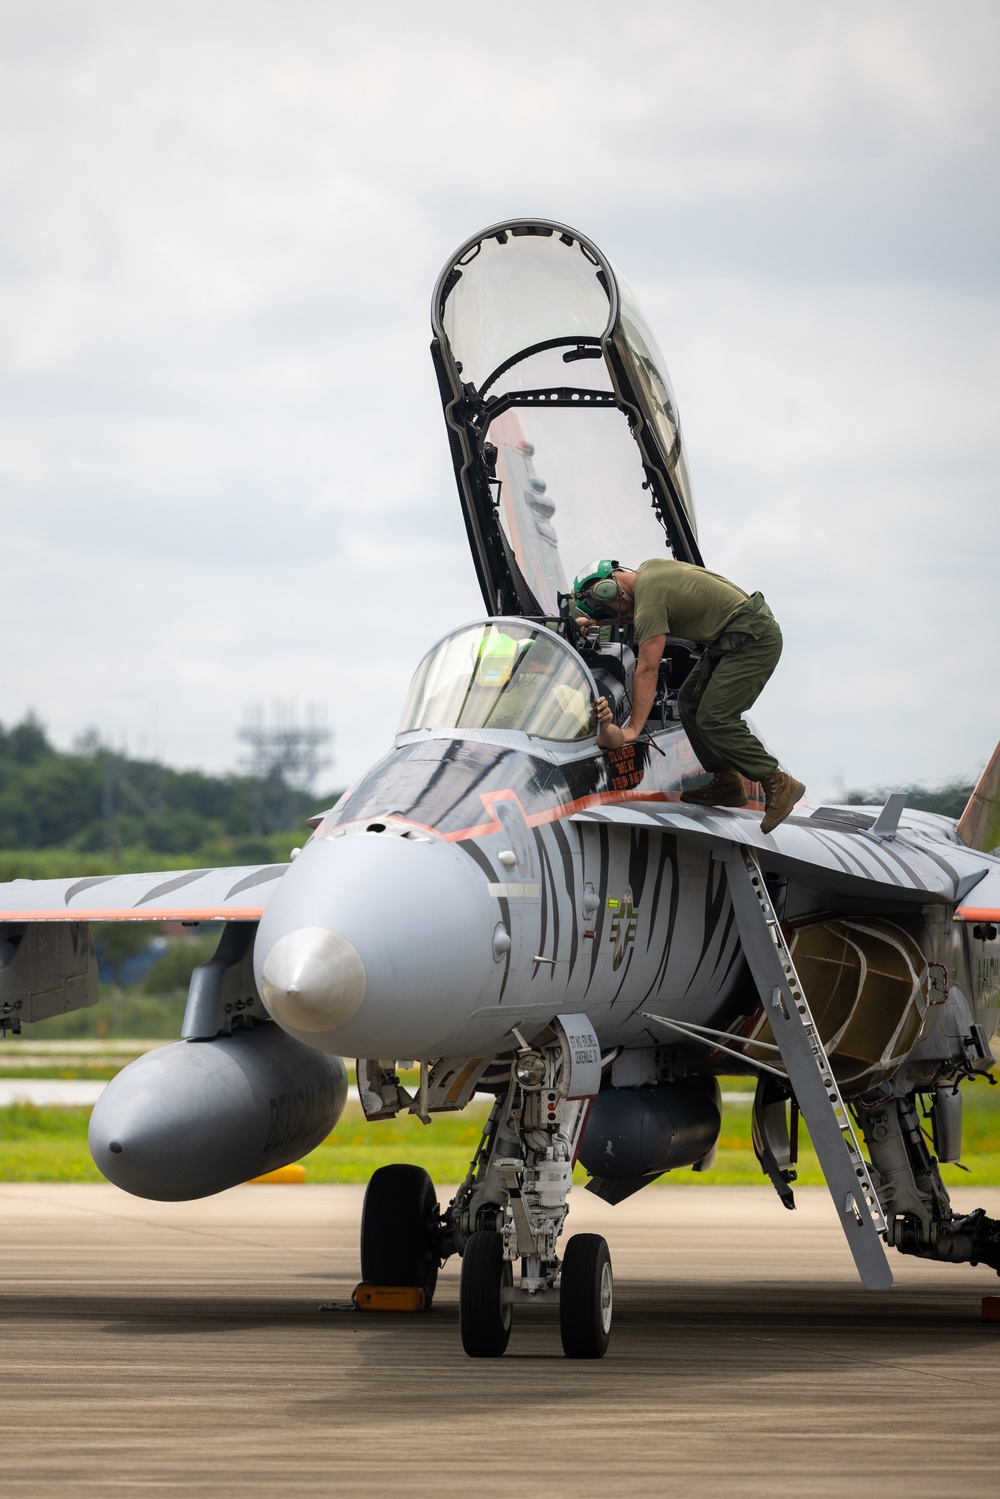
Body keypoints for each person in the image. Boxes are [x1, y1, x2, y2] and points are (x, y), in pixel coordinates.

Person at [572, 558, 805, 834]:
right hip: (733, 638)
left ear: (608, 591)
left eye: (604, 606)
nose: (616, 614)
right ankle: (725, 780)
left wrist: (634, 729)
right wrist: (596, 619)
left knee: (715, 717)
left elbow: (647, 670)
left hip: (753, 639)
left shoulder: (650, 604)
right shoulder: (650, 574)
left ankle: (777, 780)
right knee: (689, 701)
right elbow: (635, 607)